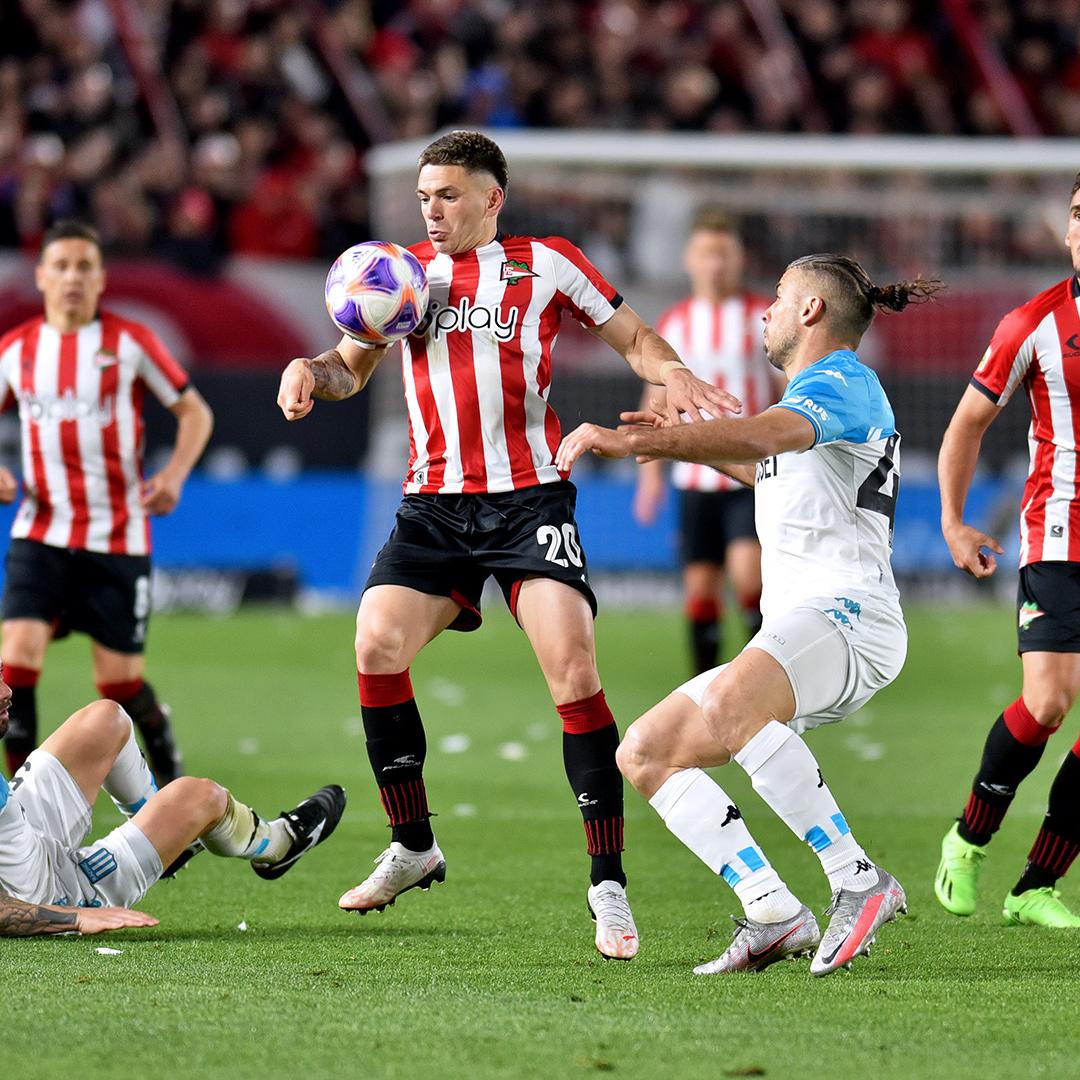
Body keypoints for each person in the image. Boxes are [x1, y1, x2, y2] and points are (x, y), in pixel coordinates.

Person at [276, 130, 733, 959]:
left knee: (574, 668)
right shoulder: (400, 275)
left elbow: (633, 336)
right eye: (423, 196)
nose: (432, 209)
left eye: (448, 195)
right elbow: (351, 366)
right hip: (434, 507)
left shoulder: (549, 261)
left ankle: (609, 885)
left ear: (492, 198)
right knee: (376, 643)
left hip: (527, 498)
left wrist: (674, 374)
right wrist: (311, 371)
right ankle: (413, 845)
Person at [558, 253, 943, 975]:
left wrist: (642, 440)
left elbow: (763, 438)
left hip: (849, 617)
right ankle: (772, 911)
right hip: (804, 627)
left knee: (735, 699)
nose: (764, 310)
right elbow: (768, 466)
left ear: (810, 312)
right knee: (644, 751)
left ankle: (857, 879)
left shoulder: (840, 381)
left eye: (778, 296)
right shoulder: (817, 401)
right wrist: (671, 447)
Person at [0, 220, 214, 783]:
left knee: (117, 684)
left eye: (84, 267)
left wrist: (173, 473)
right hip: (40, 532)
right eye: (62, 266)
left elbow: (195, 411)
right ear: (42, 276)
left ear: (100, 280)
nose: (72, 277)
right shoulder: (16, 351)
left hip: (116, 536)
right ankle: (23, 807)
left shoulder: (130, 343)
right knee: (14, 664)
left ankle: (162, 750)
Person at [933, 173, 1080, 929]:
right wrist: (954, 522)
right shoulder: (1034, 323)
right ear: (1067, 232)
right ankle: (968, 840)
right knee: (1050, 701)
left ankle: (1035, 887)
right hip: (1060, 536)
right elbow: (964, 425)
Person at [0, 672, 346, 937]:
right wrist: (76, 917)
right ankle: (280, 843)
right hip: (47, 893)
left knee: (106, 718)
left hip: (23, 832)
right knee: (202, 798)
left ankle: (164, 837)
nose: (6, 691)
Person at [632, 209, 779, 673]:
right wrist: (650, 478)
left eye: (724, 254)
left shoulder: (763, 318)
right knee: (699, 588)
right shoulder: (675, 323)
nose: (715, 264)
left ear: (739, 259)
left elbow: (782, 394)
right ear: (689, 259)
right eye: (706, 254)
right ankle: (704, 691)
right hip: (694, 477)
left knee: (748, 577)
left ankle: (761, 684)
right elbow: (656, 400)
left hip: (750, 475)